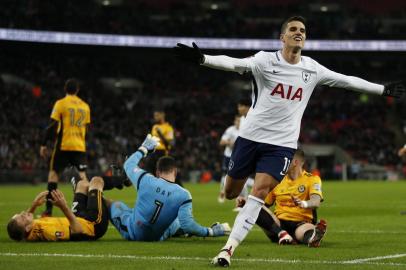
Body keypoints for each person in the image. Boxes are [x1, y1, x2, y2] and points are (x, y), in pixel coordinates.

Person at [174, 15, 405, 267]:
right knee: (230, 192)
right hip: (250, 137)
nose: (299, 33)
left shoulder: (312, 69)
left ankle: (227, 250)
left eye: (302, 30)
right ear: (282, 37)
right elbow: (233, 63)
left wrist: (382, 89)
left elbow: (346, 81)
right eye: (293, 29)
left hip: (281, 145)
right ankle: (237, 224)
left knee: (259, 192)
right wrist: (203, 59)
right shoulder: (264, 60)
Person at [109, 134, 231, 241]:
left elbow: (128, 164)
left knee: (111, 204)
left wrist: (144, 149)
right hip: (158, 237)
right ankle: (205, 230)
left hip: (134, 232)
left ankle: (92, 228)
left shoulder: (145, 179)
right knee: (177, 221)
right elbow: (187, 224)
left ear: (157, 172)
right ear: (175, 172)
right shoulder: (184, 194)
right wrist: (210, 231)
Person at [253, 149, 327, 247]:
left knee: (306, 232)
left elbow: (316, 202)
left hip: (301, 223)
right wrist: (247, 203)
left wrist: (303, 203)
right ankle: (282, 234)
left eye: (286, 160)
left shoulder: (312, 179)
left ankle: (313, 237)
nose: (282, 163)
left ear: (295, 162)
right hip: (277, 224)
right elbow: (264, 204)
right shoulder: (277, 180)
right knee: (254, 205)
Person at [39, 78, 91, 217]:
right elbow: (86, 128)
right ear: (77, 90)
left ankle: (48, 210)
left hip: (64, 145)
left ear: (65, 89)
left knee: (53, 175)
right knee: (83, 178)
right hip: (79, 146)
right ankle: (88, 210)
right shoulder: (85, 106)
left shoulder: (61, 104)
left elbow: (52, 125)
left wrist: (44, 144)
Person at [7, 176, 109, 241]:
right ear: (27, 228)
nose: (24, 212)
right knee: (96, 181)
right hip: (92, 225)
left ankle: (99, 199)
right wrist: (63, 206)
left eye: (20, 214)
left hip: (78, 218)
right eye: (22, 217)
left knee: (82, 184)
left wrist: (34, 205)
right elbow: (78, 230)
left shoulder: (29, 231)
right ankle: (121, 180)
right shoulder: (48, 231)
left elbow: (25, 229)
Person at [144, 109, 175, 175]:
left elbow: (169, 144)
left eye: (157, 115)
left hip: (163, 152)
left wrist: (160, 134)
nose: (155, 117)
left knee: (164, 173)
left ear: (162, 115)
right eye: (154, 115)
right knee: (148, 169)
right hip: (154, 151)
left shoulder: (168, 127)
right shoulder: (155, 127)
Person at [218, 115, 241, 203]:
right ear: (234, 121)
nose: (238, 122)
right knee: (225, 175)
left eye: (240, 121)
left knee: (239, 175)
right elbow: (221, 142)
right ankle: (222, 193)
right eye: (237, 121)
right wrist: (229, 142)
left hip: (238, 156)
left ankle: (239, 196)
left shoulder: (244, 130)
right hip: (228, 156)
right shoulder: (230, 130)